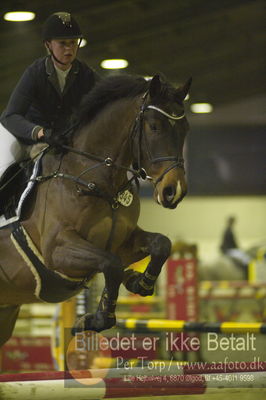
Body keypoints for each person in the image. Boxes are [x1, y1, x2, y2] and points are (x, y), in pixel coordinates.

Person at [0, 11, 99, 178]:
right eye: (62, 43)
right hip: (24, 139)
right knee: (3, 169)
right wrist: (41, 133)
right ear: (48, 45)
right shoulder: (34, 73)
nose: (69, 49)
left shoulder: (86, 75)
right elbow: (10, 116)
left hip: (60, 142)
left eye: (73, 43)